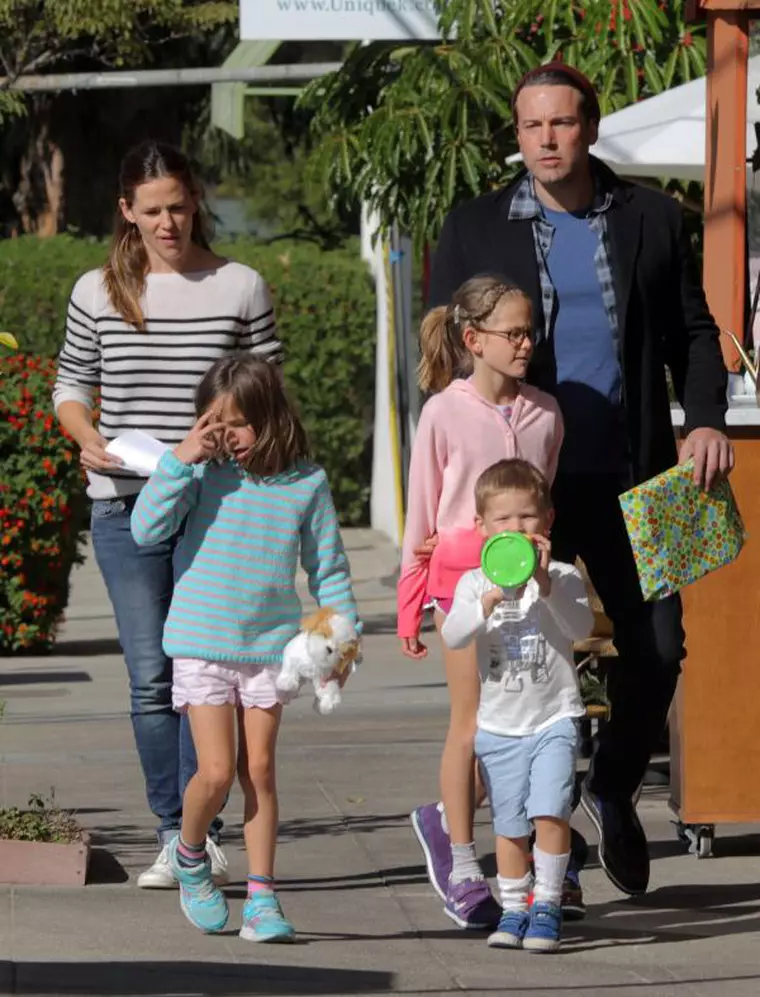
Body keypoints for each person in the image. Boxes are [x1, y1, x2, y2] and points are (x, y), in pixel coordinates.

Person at [425, 62, 733, 907]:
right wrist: (444, 516)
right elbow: (445, 361)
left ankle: (614, 788)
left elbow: (695, 333)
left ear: (589, 127)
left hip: (642, 476)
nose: (548, 139)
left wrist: (704, 417)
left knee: (662, 648)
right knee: (524, 675)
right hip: (522, 499)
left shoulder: (654, 218)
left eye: (562, 123)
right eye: (532, 126)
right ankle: (534, 864)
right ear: (517, 134)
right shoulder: (473, 226)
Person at [53, 140, 283, 887]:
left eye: (178, 206)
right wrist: (86, 437)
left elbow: (268, 392)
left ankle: (200, 830)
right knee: (152, 674)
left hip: (218, 509)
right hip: (125, 503)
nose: (167, 223)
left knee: (206, 670)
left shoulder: (240, 285)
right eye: (151, 210)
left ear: (196, 201)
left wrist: (236, 434)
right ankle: (169, 829)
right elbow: (71, 383)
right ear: (127, 211)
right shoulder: (97, 291)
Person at [131, 354, 358, 942]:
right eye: (212, 422)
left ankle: (263, 898)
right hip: (201, 642)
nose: (223, 435)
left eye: (234, 423)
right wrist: (181, 457)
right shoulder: (200, 473)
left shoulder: (306, 482)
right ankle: (189, 853)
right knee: (214, 772)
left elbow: (328, 570)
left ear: (269, 416)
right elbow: (146, 530)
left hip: (268, 650)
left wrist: (340, 641)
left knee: (258, 770)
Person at [397, 275, 564, 929]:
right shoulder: (442, 410)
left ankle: (449, 821)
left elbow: (542, 505)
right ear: (474, 340)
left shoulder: (549, 413)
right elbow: (421, 510)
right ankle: (465, 863)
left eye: (530, 331)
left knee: (523, 725)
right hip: (459, 591)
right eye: (513, 333)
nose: (526, 343)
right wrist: (412, 603)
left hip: (530, 602)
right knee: (470, 724)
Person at [442, 459, 592, 953]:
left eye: (527, 517)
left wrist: (545, 585)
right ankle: (514, 908)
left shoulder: (564, 576)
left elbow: (580, 629)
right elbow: (453, 633)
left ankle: (547, 903)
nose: (516, 528)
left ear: (547, 522)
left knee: (549, 813)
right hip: (499, 726)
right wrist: (485, 601)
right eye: (503, 520)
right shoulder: (471, 586)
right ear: (481, 529)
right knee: (509, 825)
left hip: (553, 717)